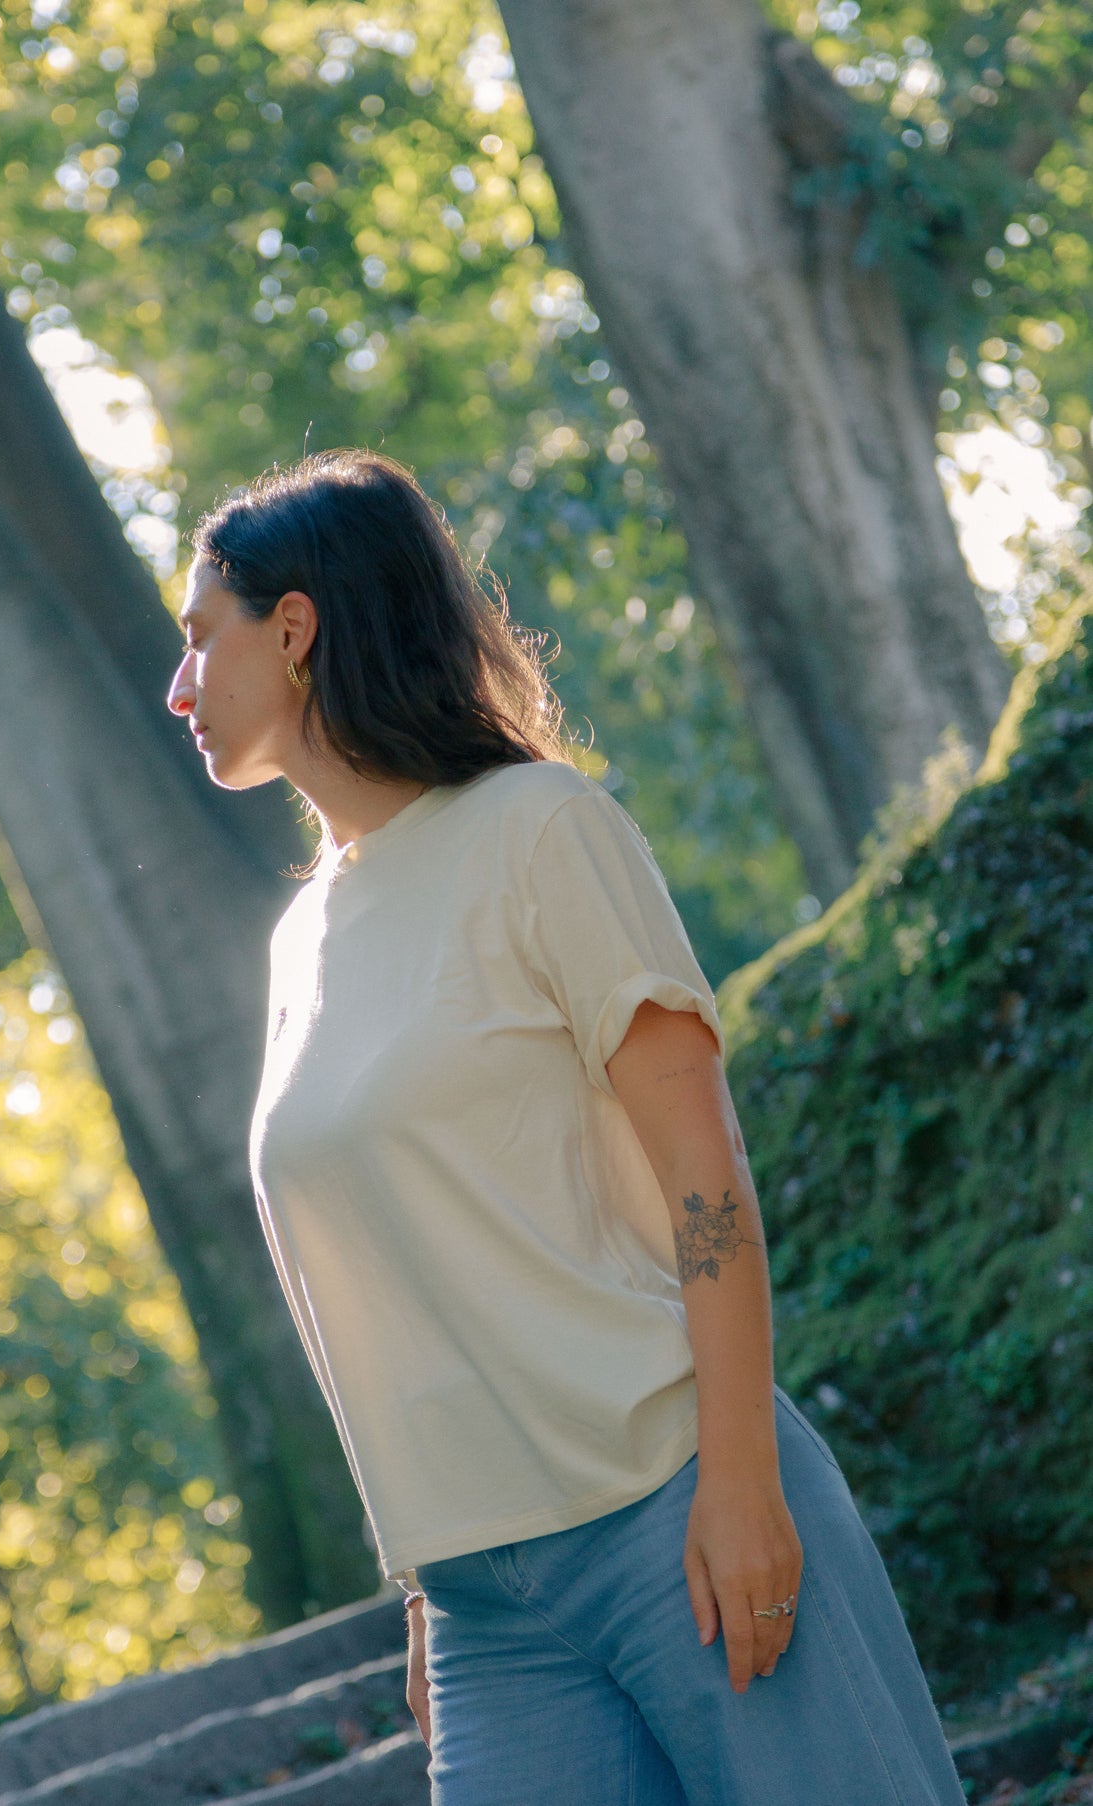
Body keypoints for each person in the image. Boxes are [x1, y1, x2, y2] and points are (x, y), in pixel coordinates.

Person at [165, 448, 964, 1805]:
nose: (179, 687)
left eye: (199, 638)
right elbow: (397, 1278)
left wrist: (740, 1482)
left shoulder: (542, 829)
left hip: (671, 1506)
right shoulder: (301, 937)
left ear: (293, 629)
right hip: (488, 1609)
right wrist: (425, 1586)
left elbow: (704, 1177)